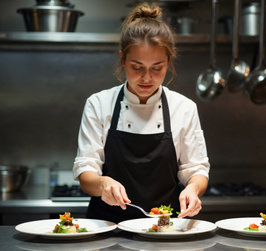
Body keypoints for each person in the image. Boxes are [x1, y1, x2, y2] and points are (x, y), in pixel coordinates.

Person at [73, 3, 210, 223]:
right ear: (122, 59)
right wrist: (103, 184)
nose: (147, 78)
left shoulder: (183, 108)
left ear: (169, 62)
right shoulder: (99, 104)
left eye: (157, 68)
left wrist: (193, 189)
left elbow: (196, 169)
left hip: (165, 229)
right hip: (108, 227)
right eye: (137, 67)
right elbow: (85, 171)